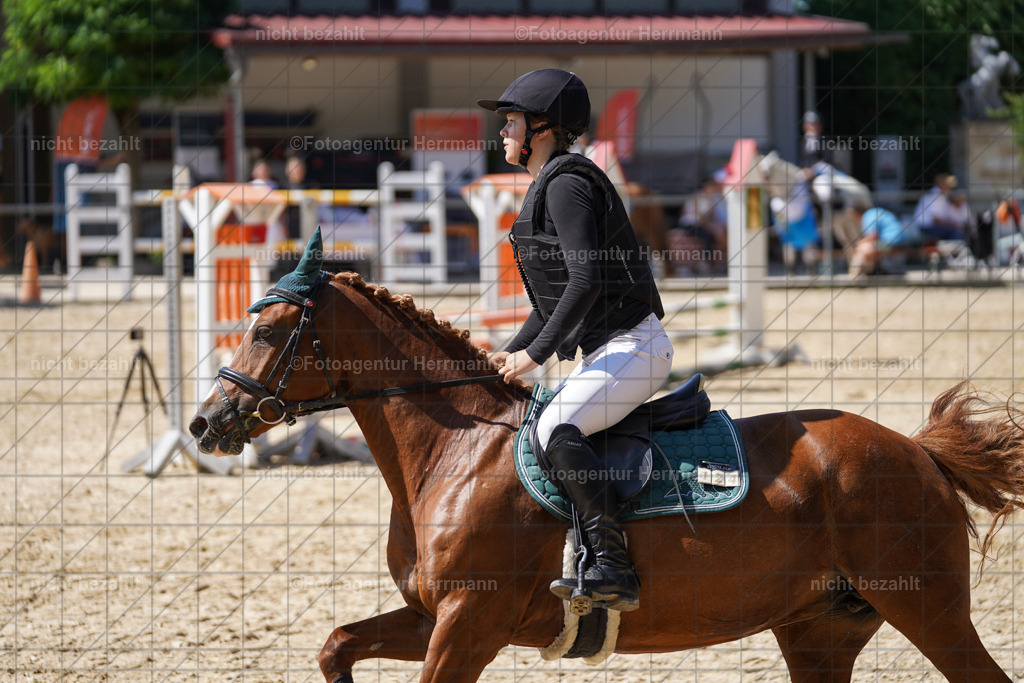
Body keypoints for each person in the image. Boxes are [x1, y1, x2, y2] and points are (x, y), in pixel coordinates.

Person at [478, 69, 673, 612]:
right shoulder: (548, 185)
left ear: (542, 127)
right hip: (611, 348)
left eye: (511, 120)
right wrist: (507, 352)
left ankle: (613, 564)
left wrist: (534, 357)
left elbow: (586, 279)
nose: (502, 131)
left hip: (635, 345)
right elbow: (548, 306)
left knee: (556, 428)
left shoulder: (566, 183)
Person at [848, 196, 921, 277]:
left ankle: (856, 276)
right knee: (871, 247)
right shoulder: (874, 212)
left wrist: (858, 243)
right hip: (901, 240)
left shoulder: (868, 216)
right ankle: (877, 270)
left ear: (855, 213)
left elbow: (872, 236)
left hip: (892, 243)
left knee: (863, 248)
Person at [914, 173, 964, 242]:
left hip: (928, 226)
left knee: (956, 230)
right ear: (943, 185)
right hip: (927, 227)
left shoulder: (939, 195)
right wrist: (953, 224)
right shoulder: (936, 196)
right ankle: (954, 251)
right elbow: (936, 219)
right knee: (955, 233)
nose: (951, 189)